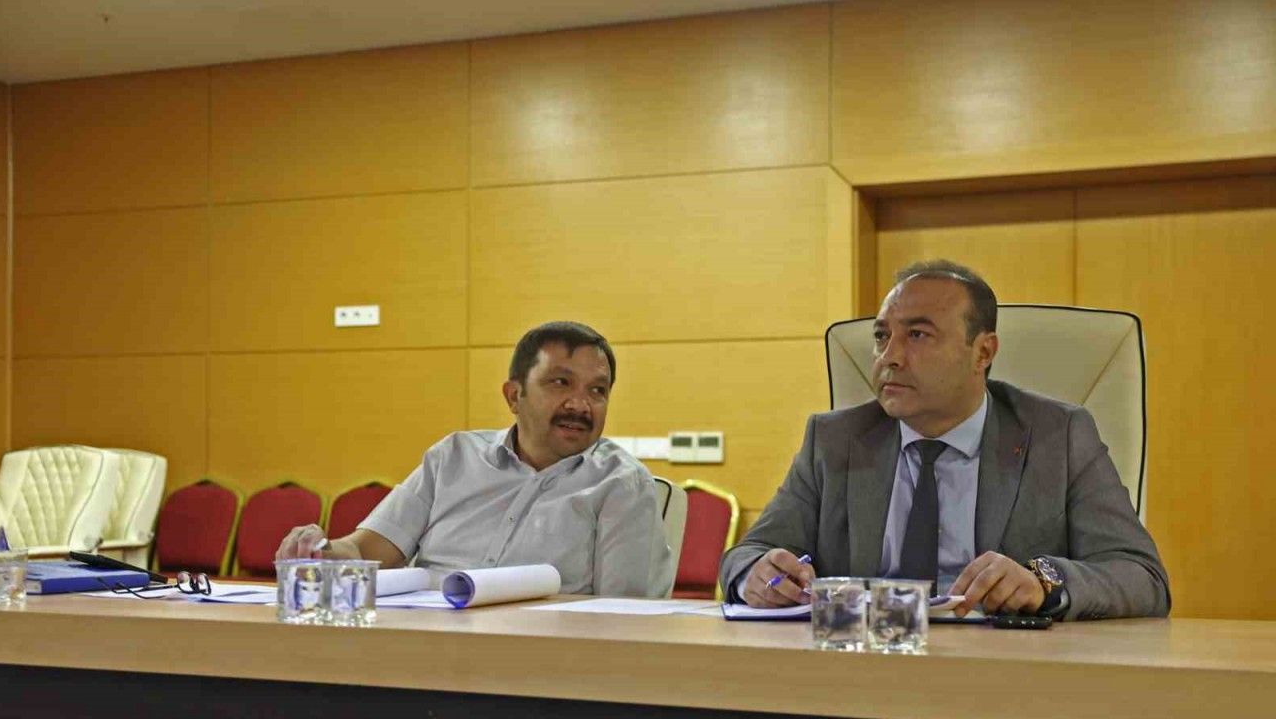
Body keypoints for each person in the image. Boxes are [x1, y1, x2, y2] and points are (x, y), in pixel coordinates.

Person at [720, 260, 1170, 620]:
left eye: (917, 335)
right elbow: (747, 555)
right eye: (882, 336)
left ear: (983, 352)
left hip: (1005, 676)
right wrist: (755, 576)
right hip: (866, 668)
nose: (889, 357)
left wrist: (1043, 584)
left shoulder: (1058, 436)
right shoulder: (836, 440)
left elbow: (1142, 577)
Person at [277, 321, 674, 598]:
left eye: (598, 390)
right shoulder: (452, 457)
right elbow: (365, 554)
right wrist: (319, 550)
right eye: (561, 382)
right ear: (514, 396)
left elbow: (623, 615)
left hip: (538, 664)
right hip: (419, 646)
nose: (580, 405)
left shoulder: (621, 485)